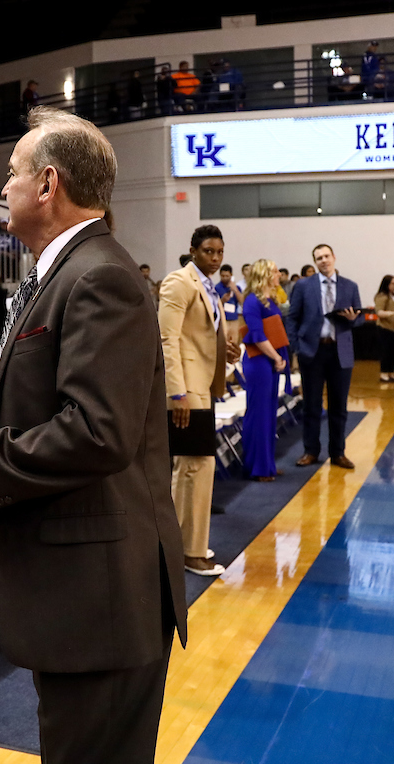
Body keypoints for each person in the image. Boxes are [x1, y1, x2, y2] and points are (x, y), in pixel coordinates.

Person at [0, 106, 186, 764]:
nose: (1, 188)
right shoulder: (63, 271)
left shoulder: (97, 276)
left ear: (47, 185)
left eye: (11, 174)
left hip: (100, 598)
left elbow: (99, 432)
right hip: (81, 592)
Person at [159, 225, 236, 577]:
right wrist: (177, 393)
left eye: (219, 252)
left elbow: (202, 338)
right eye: (208, 251)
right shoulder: (178, 282)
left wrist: (227, 351)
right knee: (192, 468)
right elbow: (167, 340)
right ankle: (186, 552)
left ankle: (187, 545)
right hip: (186, 392)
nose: (216, 258)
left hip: (204, 387)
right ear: (193, 250)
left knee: (199, 469)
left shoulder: (211, 289)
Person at [285, 244, 362, 469]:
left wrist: (352, 319)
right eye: (319, 258)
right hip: (312, 351)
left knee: (339, 406)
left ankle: (338, 453)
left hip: (340, 352)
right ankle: (311, 451)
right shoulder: (303, 286)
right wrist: (296, 346)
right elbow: (292, 318)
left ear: (334, 258)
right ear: (315, 262)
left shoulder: (350, 286)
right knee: (311, 405)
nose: (324, 261)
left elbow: (359, 318)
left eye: (327, 256)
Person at [240, 259, 289, 481]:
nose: (279, 274)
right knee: (259, 414)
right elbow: (257, 336)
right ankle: (257, 467)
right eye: (275, 271)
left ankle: (267, 463)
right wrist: (277, 356)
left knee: (269, 414)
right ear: (265, 275)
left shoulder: (271, 300)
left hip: (270, 361)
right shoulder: (252, 301)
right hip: (259, 361)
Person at [374, 274, 394, 382]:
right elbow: (379, 312)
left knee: (393, 352)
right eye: (393, 283)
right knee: (386, 352)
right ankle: (384, 373)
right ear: (387, 284)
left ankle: (391, 372)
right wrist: (390, 314)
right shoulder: (382, 296)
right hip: (385, 329)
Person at [214, 263, 243, 343]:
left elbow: (242, 302)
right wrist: (222, 300)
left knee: (234, 342)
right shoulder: (216, 288)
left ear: (231, 275)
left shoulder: (237, 288)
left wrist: (235, 290)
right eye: (223, 276)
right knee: (223, 342)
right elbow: (213, 305)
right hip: (223, 320)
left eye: (227, 276)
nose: (225, 278)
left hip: (234, 319)